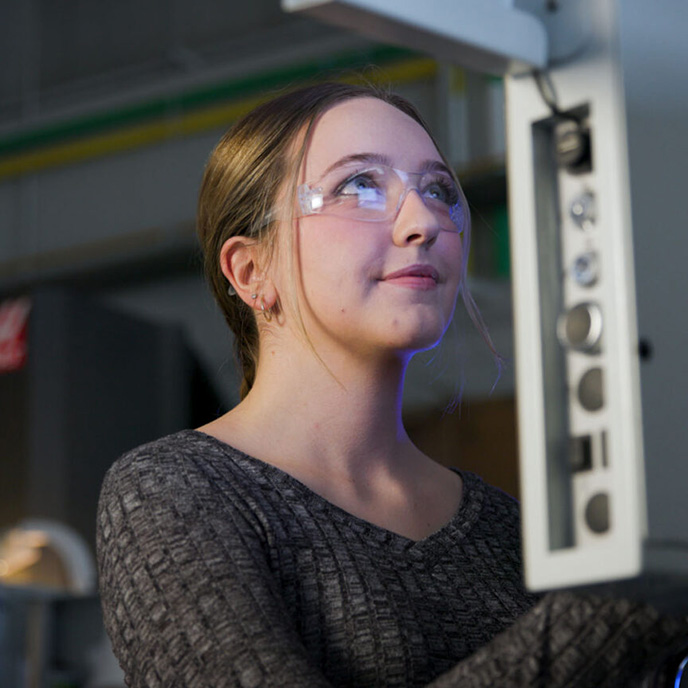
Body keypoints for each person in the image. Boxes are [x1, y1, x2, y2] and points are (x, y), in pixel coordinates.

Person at [97, 81, 687, 688]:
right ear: (252, 270)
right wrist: (632, 603)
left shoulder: (507, 528)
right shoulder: (175, 493)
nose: (423, 221)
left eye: (437, 190)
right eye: (359, 186)